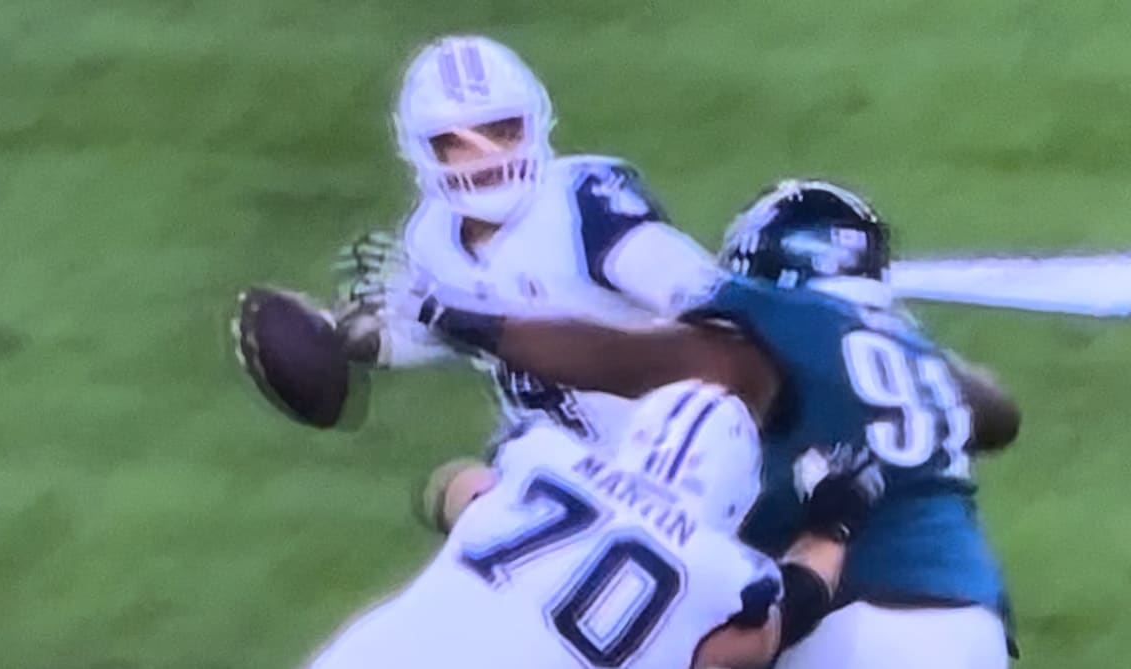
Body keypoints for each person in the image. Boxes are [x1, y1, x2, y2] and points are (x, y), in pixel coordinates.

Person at [412, 178, 1020, 668]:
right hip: (973, 621)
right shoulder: (915, 354)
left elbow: (622, 359)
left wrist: (462, 322)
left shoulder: (785, 326)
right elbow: (998, 415)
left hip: (858, 618)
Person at [302, 380, 881, 669]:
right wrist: (834, 525)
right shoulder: (720, 573)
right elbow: (785, 615)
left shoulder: (542, 459)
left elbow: (454, 486)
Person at [331, 34, 721, 448]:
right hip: (559, 460)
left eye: (502, 131)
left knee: (472, 479)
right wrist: (372, 338)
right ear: (422, 149)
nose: (486, 154)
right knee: (474, 478)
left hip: (665, 455)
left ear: (534, 124)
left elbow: (715, 306)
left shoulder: (583, 208)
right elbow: (454, 332)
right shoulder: (431, 235)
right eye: (456, 142)